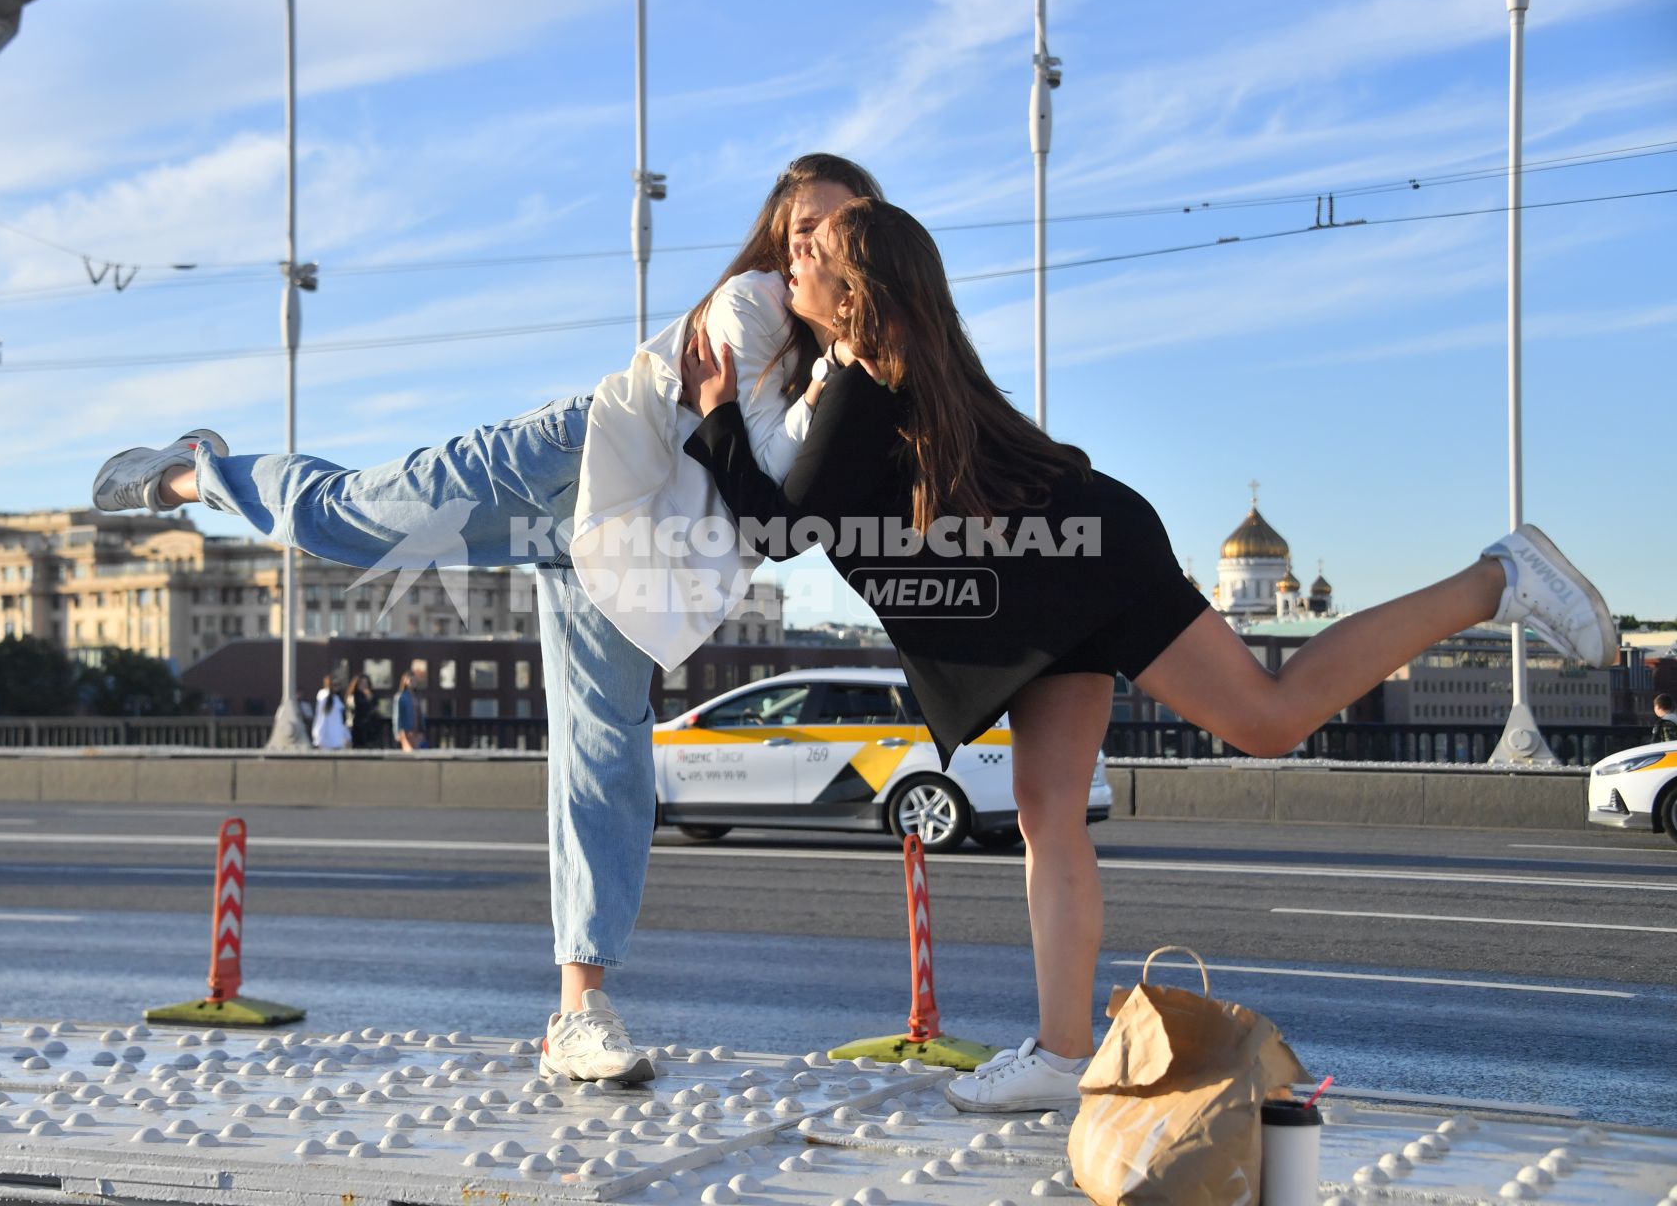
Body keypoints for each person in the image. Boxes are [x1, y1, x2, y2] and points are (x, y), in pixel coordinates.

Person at [678, 196, 1619, 1113]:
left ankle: (1495, 581)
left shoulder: (862, 378)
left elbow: (779, 528)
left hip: (1078, 561)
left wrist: (717, 410)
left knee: (1268, 716)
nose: (791, 259)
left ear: (856, 287)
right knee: (1050, 812)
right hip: (1042, 577)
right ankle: (1060, 1050)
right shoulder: (885, 367)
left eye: (813, 249)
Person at [88, 154, 886, 1085]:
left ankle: (579, 1015)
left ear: (866, 246)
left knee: (607, 753)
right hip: (566, 463)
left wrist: (839, 378)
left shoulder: (833, 365)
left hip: (629, 552)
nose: (809, 250)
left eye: (831, 232)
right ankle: (193, 470)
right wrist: (831, 387)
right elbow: (760, 465)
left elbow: (779, 511)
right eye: (800, 232)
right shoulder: (752, 303)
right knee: (347, 524)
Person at [312, 674, 350, 751]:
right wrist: (318, 738)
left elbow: (341, 721)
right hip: (327, 741)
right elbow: (321, 719)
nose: (337, 687)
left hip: (338, 739)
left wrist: (347, 736)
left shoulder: (337, 699)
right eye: (334, 685)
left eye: (338, 685)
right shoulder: (324, 698)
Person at [346, 674, 381, 750]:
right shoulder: (354, 696)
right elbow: (354, 709)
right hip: (357, 728)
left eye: (366, 683)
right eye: (362, 683)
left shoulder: (372, 696)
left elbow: (375, 709)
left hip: (370, 729)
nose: (364, 685)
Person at [393, 668, 422, 751]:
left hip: (416, 730)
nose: (413, 682)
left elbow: (419, 714)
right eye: (411, 680)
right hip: (406, 731)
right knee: (409, 752)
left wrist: (422, 729)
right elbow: (397, 716)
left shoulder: (416, 696)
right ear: (405, 681)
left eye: (415, 680)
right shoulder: (400, 696)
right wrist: (397, 733)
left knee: (417, 752)